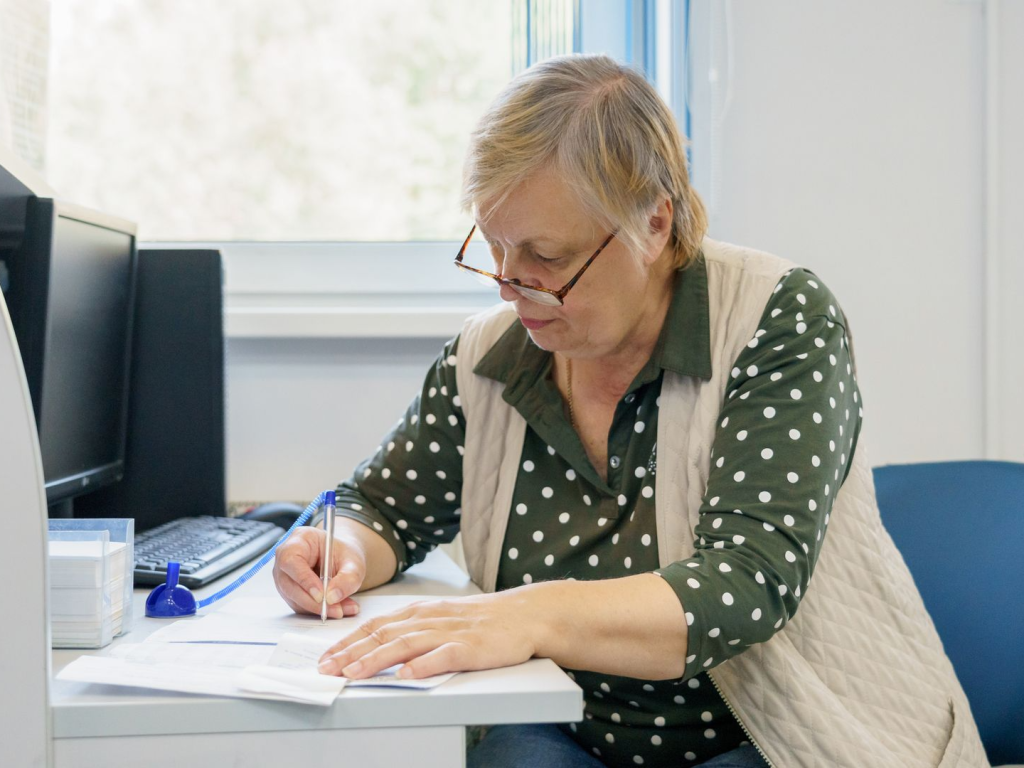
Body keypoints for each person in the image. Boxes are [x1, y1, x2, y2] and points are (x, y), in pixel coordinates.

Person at [272, 54, 988, 768]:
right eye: (494, 248)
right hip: (569, 727)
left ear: (653, 224)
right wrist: (341, 553)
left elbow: (743, 586)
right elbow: (384, 507)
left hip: (774, 734)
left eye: (547, 256)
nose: (510, 287)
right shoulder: (492, 355)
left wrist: (525, 614)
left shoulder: (776, 320)